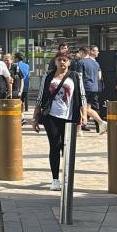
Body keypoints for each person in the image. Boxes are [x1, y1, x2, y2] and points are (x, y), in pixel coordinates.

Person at [33, 53, 87, 191]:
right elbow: (40, 97)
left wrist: (84, 115)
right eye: (59, 60)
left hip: (70, 116)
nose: (62, 62)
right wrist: (35, 117)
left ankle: (67, 177)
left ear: (69, 62)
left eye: (65, 60)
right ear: (55, 62)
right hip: (51, 115)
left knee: (68, 147)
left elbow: (82, 97)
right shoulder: (48, 76)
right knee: (55, 145)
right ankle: (55, 179)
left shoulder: (75, 76)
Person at [76, 46, 107, 134]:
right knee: (88, 108)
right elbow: (99, 77)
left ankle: (79, 130)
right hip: (94, 87)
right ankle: (101, 122)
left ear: (82, 52)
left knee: (79, 107)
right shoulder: (96, 63)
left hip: (84, 87)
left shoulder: (80, 62)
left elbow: (79, 76)